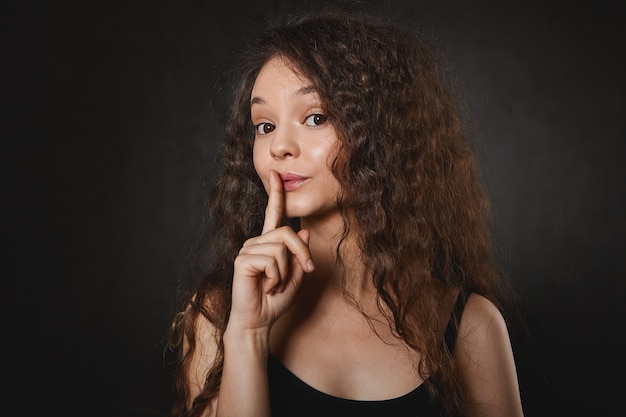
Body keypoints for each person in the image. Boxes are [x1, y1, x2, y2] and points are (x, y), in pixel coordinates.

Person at [167, 7, 525, 417]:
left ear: (379, 134)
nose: (279, 146)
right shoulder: (217, 314)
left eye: (315, 117)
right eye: (264, 125)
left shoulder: (471, 325)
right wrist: (248, 335)